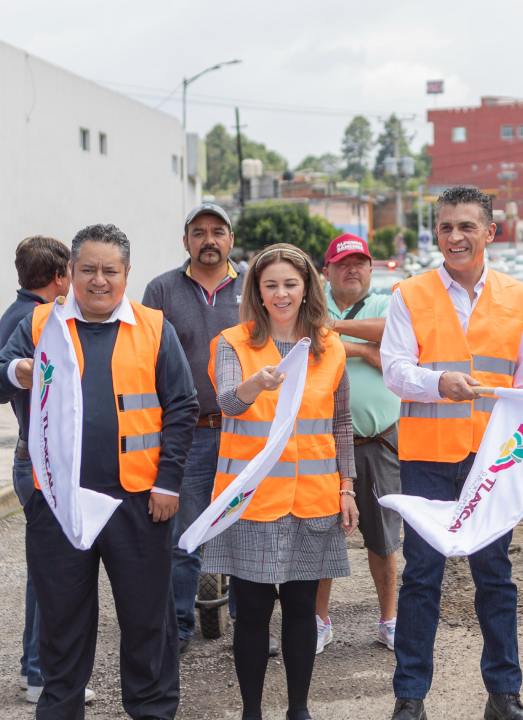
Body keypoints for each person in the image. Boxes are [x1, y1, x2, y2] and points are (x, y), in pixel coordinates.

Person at [0, 224, 199, 720]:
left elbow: (182, 408)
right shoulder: (41, 325)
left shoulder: (153, 327)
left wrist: (168, 482)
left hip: (140, 504)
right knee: (62, 630)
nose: (99, 280)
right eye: (88, 270)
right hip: (60, 505)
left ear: (126, 274)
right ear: (70, 274)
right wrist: (17, 371)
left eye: (110, 270)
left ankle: (152, 711)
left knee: (148, 628)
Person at [381, 185, 523, 720]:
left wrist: (522, 463)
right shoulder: (409, 294)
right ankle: (410, 697)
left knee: (494, 576)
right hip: (426, 457)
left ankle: (504, 694)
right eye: (446, 227)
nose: (455, 237)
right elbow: (395, 370)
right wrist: (438, 382)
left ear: (490, 232)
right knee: (421, 577)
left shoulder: (518, 297)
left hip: (491, 462)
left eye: (467, 226)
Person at [203, 243, 359, 720]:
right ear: (257, 291)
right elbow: (229, 401)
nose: (281, 293)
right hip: (252, 503)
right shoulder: (234, 342)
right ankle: (252, 711)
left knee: (299, 611)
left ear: (308, 286)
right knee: (251, 614)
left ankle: (298, 710)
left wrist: (347, 488)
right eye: (270, 285)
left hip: (312, 502)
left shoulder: (329, 346)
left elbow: (342, 423)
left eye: (290, 283)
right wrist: (259, 383)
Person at [0, 236, 97, 705]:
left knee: (48, 568)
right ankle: (38, 672)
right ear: (61, 277)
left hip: (36, 456)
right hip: (40, 459)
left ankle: (33, 668)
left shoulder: (12, 314)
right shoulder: (37, 319)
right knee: (50, 571)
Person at [142, 203, 248, 655]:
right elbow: (145, 360)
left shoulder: (253, 286)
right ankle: (179, 628)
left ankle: (250, 625)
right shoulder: (161, 290)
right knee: (185, 536)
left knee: (247, 528)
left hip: (247, 430)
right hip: (190, 430)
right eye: (199, 232)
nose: (209, 240)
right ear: (185, 240)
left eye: (217, 231)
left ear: (229, 238)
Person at [315, 234, 402, 654]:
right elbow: (310, 345)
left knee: (383, 541)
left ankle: (389, 620)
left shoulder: (388, 303)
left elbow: (394, 338)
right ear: (327, 270)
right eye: (343, 263)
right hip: (320, 445)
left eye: (360, 263)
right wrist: (365, 351)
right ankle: (318, 621)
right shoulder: (312, 303)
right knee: (320, 536)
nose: (353, 269)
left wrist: (336, 331)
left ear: (371, 268)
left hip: (377, 442)